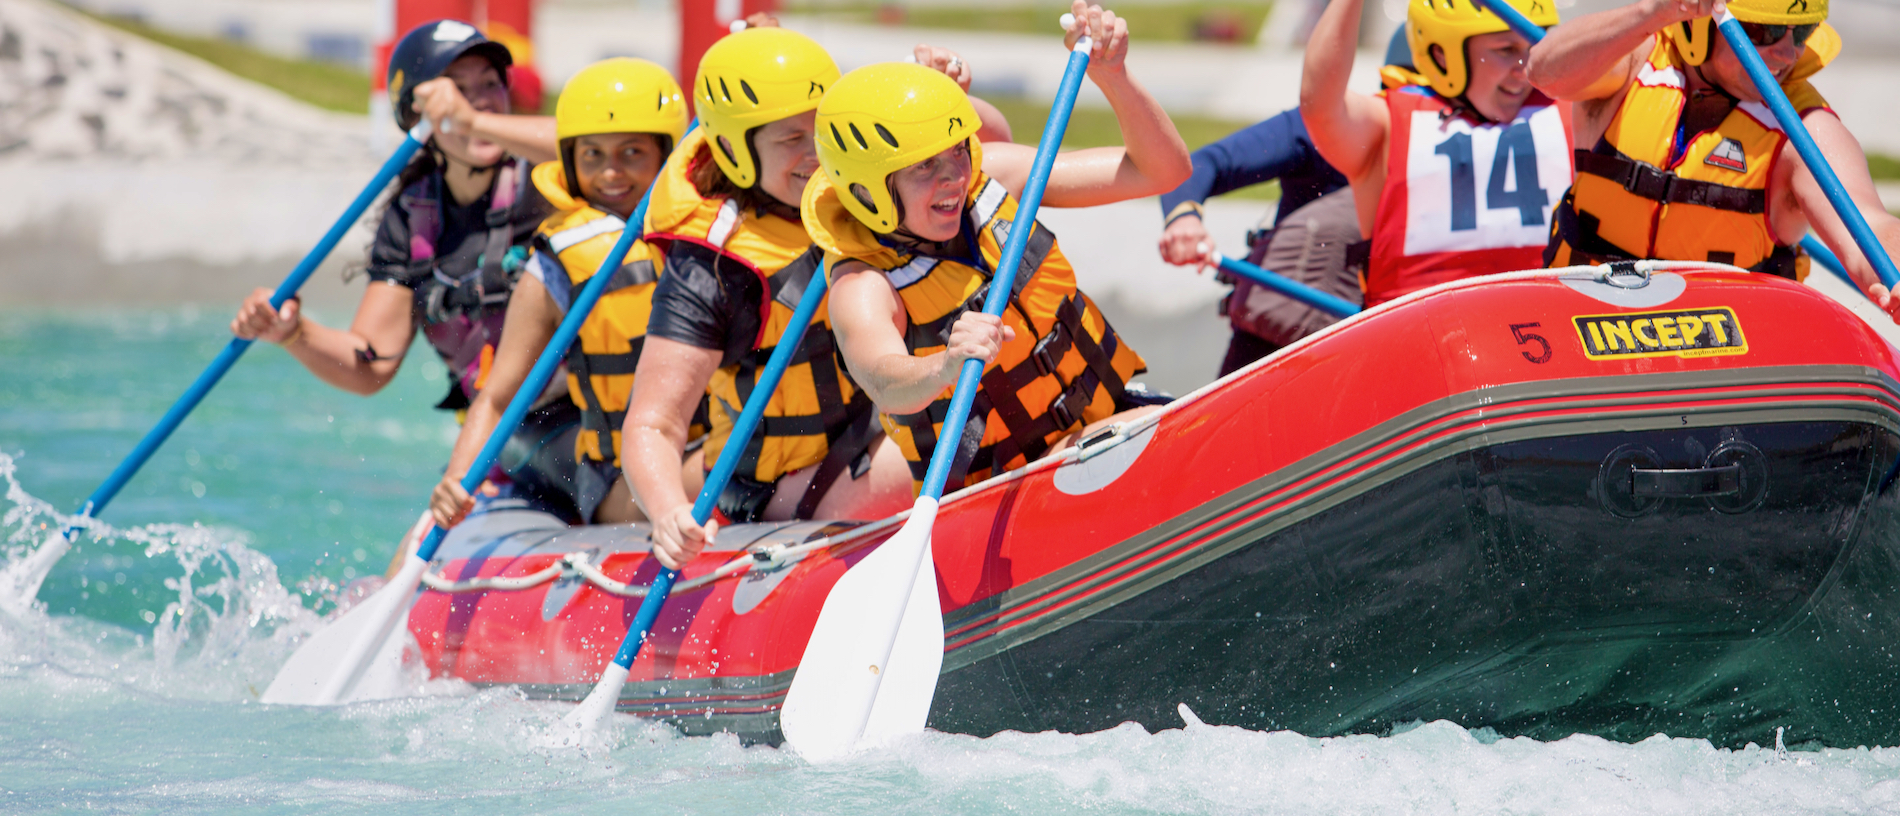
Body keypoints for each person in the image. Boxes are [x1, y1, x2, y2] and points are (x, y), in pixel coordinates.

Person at [810, 2, 1192, 501]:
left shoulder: (996, 179)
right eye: (923, 168)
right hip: (995, 494)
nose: (953, 176)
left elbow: (1162, 171)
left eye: (954, 151)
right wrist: (944, 365)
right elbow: (884, 379)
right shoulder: (862, 285)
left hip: (1100, 421)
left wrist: (1114, 76)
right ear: (867, 192)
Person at [624, 29, 971, 569]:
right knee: (960, 457)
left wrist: (935, 101)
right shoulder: (713, 268)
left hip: (885, 423)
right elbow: (653, 425)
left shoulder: (864, 193)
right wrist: (669, 512)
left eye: (823, 130)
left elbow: (984, 160)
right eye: (791, 139)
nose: (818, 154)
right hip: (782, 484)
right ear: (738, 150)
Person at [229, 20, 577, 518]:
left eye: (489, 86)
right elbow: (371, 362)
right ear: (418, 112)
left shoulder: (551, 181)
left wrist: (471, 122)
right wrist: (295, 333)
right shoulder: (411, 219)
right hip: (502, 434)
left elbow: (595, 143)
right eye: (458, 92)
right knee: (400, 570)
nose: (479, 102)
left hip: (591, 411)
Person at [428, 57, 690, 530]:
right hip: (615, 472)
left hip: (695, 441)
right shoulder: (553, 266)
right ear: (570, 160)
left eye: (632, 153)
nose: (611, 172)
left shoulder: (709, 233)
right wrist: (458, 478)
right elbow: (496, 397)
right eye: (592, 155)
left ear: (667, 153)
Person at [1527, 0, 1900, 317]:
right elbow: (1543, 72)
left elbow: (1871, 227)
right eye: (1764, 32)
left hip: (1721, 359)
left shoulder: (1804, 126)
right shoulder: (1631, 62)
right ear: (1702, 24)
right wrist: (1656, 11)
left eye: (1800, 33)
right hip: (1582, 319)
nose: (1787, 53)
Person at [1156, 28, 1417, 374]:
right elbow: (1203, 165)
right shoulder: (1329, 129)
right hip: (1279, 357)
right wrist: (1183, 217)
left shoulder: (1486, 153)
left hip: (1391, 358)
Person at [1300, 0, 1572, 308]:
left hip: (1544, 335)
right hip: (1422, 342)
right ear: (1442, 54)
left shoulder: (1575, 109)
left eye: (1534, 47)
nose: (1526, 69)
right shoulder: (1387, 124)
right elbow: (1319, 106)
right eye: (1505, 50)